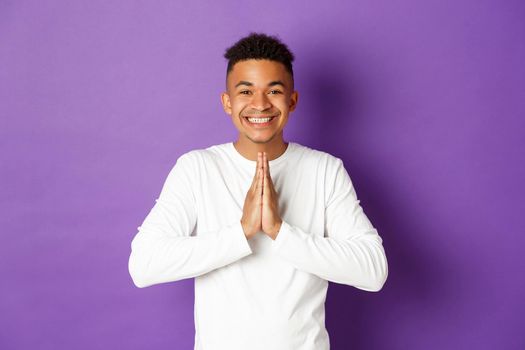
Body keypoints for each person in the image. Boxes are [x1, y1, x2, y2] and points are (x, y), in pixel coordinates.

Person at [128, 32, 388, 350]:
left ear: (292, 101)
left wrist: (280, 231)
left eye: (274, 91)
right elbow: (143, 265)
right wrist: (240, 233)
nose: (260, 104)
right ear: (227, 102)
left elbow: (373, 270)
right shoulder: (197, 168)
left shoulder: (324, 170)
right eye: (246, 91)